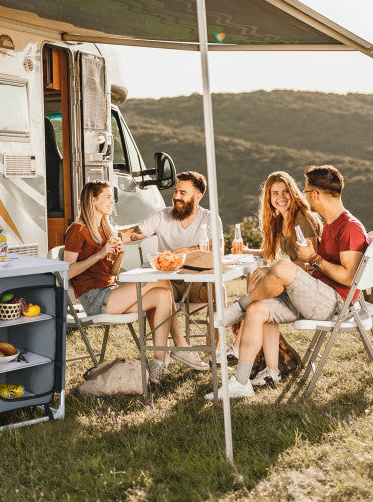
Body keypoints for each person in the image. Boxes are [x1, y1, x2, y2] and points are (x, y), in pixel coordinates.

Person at [206, 165, 369, 400]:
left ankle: (237, 307)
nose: (302, 196)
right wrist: (311, 262)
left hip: (335, 305)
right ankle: (243, 381)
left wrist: (313, 258)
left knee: (281, 267)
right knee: (258, 309)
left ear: (315, 195)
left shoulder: (350, 227)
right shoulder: (332, 223)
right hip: (316, 294)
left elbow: (348, 278)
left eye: (305, 191)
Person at [64, 180, 206, 384]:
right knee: (160, 279)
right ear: (93, 200)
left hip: (111, 291)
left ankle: (158, 362)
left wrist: (119, 255)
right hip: (96, 299)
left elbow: (112, 272)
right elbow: (66, 271)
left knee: (163, 294)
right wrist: (100, 254)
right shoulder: (77, 230)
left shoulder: (105, 230)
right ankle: (181, 347)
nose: (112, 202)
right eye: (107, 197)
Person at [120, 170, 223, 363]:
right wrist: (100, 235)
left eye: (183, 193)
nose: (176, 196)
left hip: (196, 283)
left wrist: (190, 251)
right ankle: (164, 353)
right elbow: (132, 234)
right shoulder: (161, 216)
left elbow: (217, 249)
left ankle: (212, 352)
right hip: (169, 284)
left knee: (219, 289)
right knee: (157, 284)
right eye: (176, 191)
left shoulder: (209, 219)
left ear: (198, 196)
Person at [227, 171, 322, 373]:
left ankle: (237, 344)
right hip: (296, 283)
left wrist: (271, 270)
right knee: (261, 302)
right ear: (269, 198)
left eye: (285, 191)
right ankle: (272, 371)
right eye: (275, 193)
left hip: (311, 289)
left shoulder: (302, 220)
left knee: (261, 283)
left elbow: (311, 263)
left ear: (293, 193)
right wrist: (246, 250)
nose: (281, 198)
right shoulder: (281, 221)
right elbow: (269, 252)